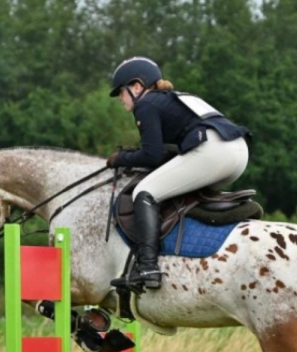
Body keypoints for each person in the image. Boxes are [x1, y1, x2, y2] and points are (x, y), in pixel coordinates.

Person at [105, 56, 251, 292]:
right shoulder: (178, 98)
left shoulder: (147, 104)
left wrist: (119, 159)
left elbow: (151, 156)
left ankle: (148, 267)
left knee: (145, 192)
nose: (121, 99)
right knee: (174, 189)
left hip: (213, 151)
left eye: (121, 92)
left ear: (136, 86)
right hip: (238, 152)